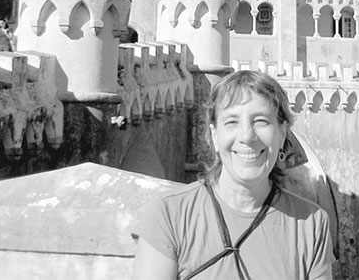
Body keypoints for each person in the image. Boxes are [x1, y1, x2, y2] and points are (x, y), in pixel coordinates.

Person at [133, 70, 335, 280]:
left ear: (283, 133)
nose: (247, 136)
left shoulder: (311, 223)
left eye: (261, 121)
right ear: (214, 135)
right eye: (232, 122)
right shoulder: (170, 214)